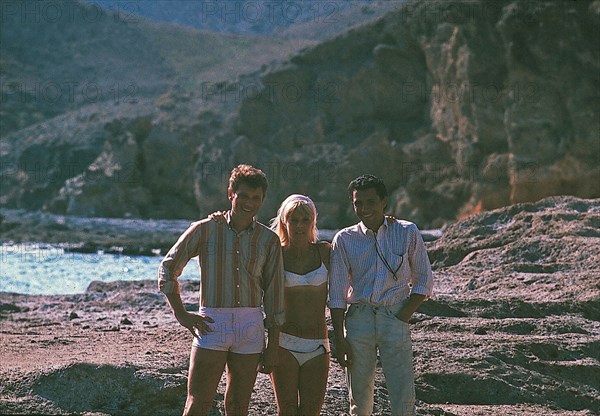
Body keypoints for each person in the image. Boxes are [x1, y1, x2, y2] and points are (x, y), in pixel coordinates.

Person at [158, 164, 285, 416]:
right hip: (212, 323)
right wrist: (181, 314)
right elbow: (168, 268)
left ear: (263, 199)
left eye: (256, 198)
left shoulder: (269, 240)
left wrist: (273, 344)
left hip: (251, 326)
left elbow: (274, 293)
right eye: (244, 196)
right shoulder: (205, 229)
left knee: (239, 407)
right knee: (198, 402)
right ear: (231, 194)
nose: (249, 203)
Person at [211, 194, 331, 415]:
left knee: (311, 412)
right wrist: (221, 220)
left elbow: (358, 263)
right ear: (284, 222)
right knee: (285, 410)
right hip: (284, 344)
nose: (299, 225)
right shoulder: (275, 253)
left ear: (313, 221)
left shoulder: (325, 252)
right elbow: (240, 258)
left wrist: (386, 222)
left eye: (305, 220)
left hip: (318, 345)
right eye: (293, 220)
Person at [329, 174, 434, 416]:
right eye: (358, 203)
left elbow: (424, 280)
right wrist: (339, 337)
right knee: (359, 397)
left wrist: (402, 315)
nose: (364, 209)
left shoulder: (406, 231)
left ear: (384, 201)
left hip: (394, 315)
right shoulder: (344, 239)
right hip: (359, 320)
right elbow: (336, 293)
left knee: (402, 392)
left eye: (370, 202)